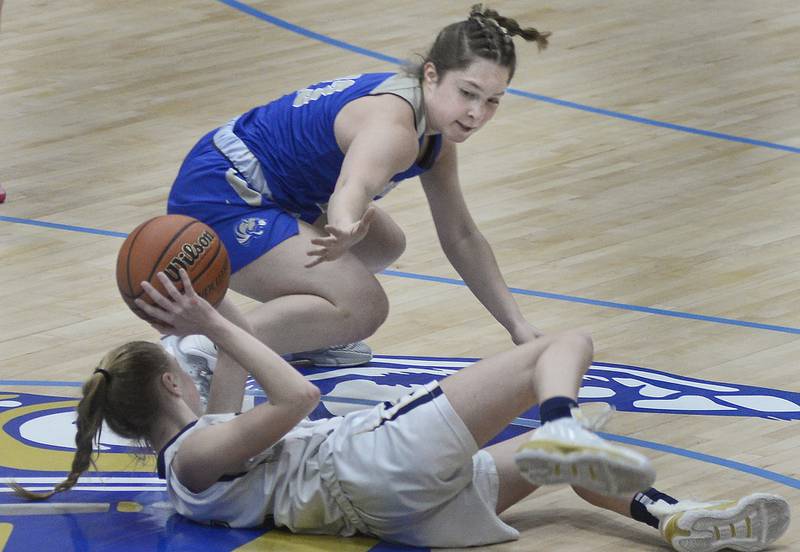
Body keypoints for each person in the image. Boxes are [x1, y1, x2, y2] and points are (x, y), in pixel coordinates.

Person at [14, 270, 791, 552]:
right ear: (169, 388)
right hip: (372, 465)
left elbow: (238, 370)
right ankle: (558, 419)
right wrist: (213, 324)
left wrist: (213, 309)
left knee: (553, 477)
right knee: (564, 344)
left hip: (395, 511)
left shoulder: (198, 455)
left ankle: (680, 520)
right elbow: (298, 396)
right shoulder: (193, 458)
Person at [163, 4, 550, 372]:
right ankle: (203, 344)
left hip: (265, 186)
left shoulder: (435, 132)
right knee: (364, 307)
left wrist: (516, 324)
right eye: (468, 93)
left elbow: (461, 236)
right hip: (223, 192)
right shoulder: (394, 128)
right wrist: (343, 223)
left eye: (492, 101)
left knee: (384, 243)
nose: (476, 113)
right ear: (431, 75)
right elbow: (352, 186)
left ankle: (307, 332)